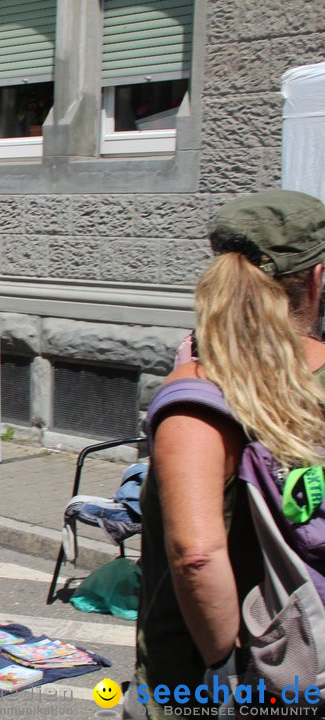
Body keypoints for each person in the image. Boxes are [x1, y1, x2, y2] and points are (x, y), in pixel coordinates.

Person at [131, 190, 325, 718]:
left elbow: (196, 555)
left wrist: (222, 671)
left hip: (214, 677)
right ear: (315, 278)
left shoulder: (199, 395)